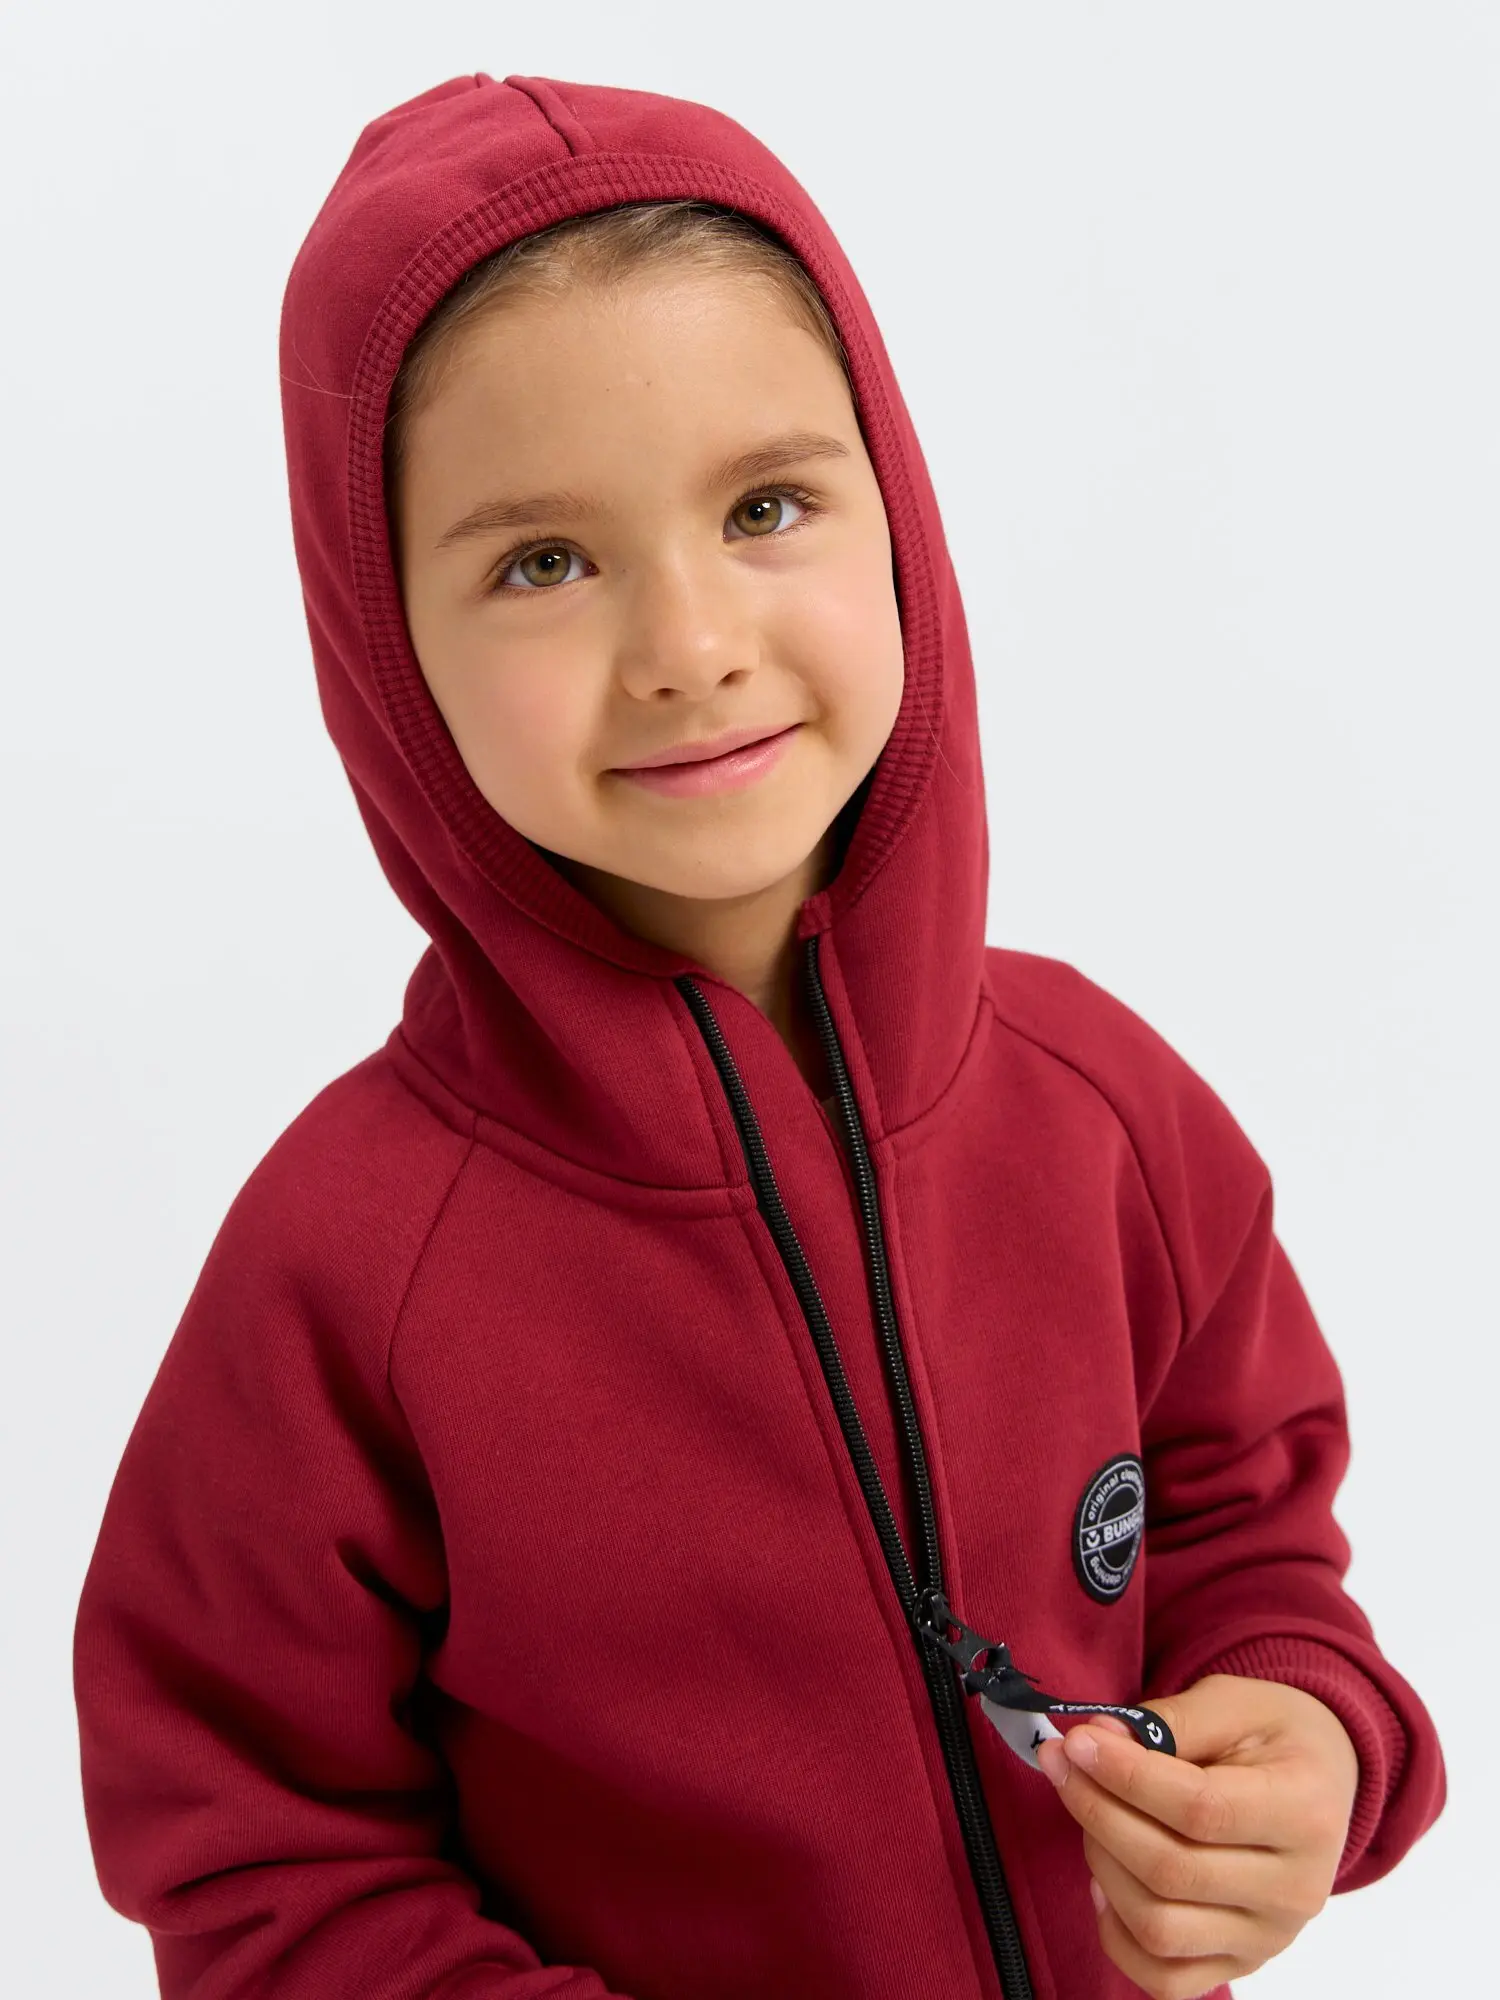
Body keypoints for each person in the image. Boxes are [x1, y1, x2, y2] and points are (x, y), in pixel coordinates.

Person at [71, 71, 1445, 2000]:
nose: (689, 645)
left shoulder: (1107, 1110)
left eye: (767, 506)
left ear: (899, 519)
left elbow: (1247, 1529)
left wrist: (1304, 1728)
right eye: (543, 562)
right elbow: (254, 1853)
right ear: (384, 648)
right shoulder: (345, 1271)